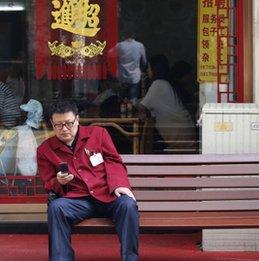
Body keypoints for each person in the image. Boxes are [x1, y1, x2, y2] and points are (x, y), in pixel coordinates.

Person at [37, 100, 139, 261]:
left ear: (77, 119)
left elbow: (114, 161)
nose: (64, 129)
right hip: (77, 200)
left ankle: (130, 258)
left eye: (69, 123)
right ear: (51, 123)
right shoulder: (45, 149)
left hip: (107, 195)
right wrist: (59, 182)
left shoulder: (98, 134)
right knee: (56, 208)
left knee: (128, 204)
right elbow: (48, 182)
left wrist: (120, 185)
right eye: (58, 125)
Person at [137, 55, 196, 151]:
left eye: (148, 67)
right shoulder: (166, 83)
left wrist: (141, 87)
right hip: (185, 131)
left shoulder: (158, 84)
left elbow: (141, 106)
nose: (147, 71)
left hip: (180, 135)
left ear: (154, 69)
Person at [116, 34, 147, 103]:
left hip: (122, 76)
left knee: (121, 103)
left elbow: (110, 56)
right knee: (133, 102)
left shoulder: (119, 46)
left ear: (123, 37)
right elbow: (144, 61)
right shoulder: (140, 45)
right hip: (134, 77)